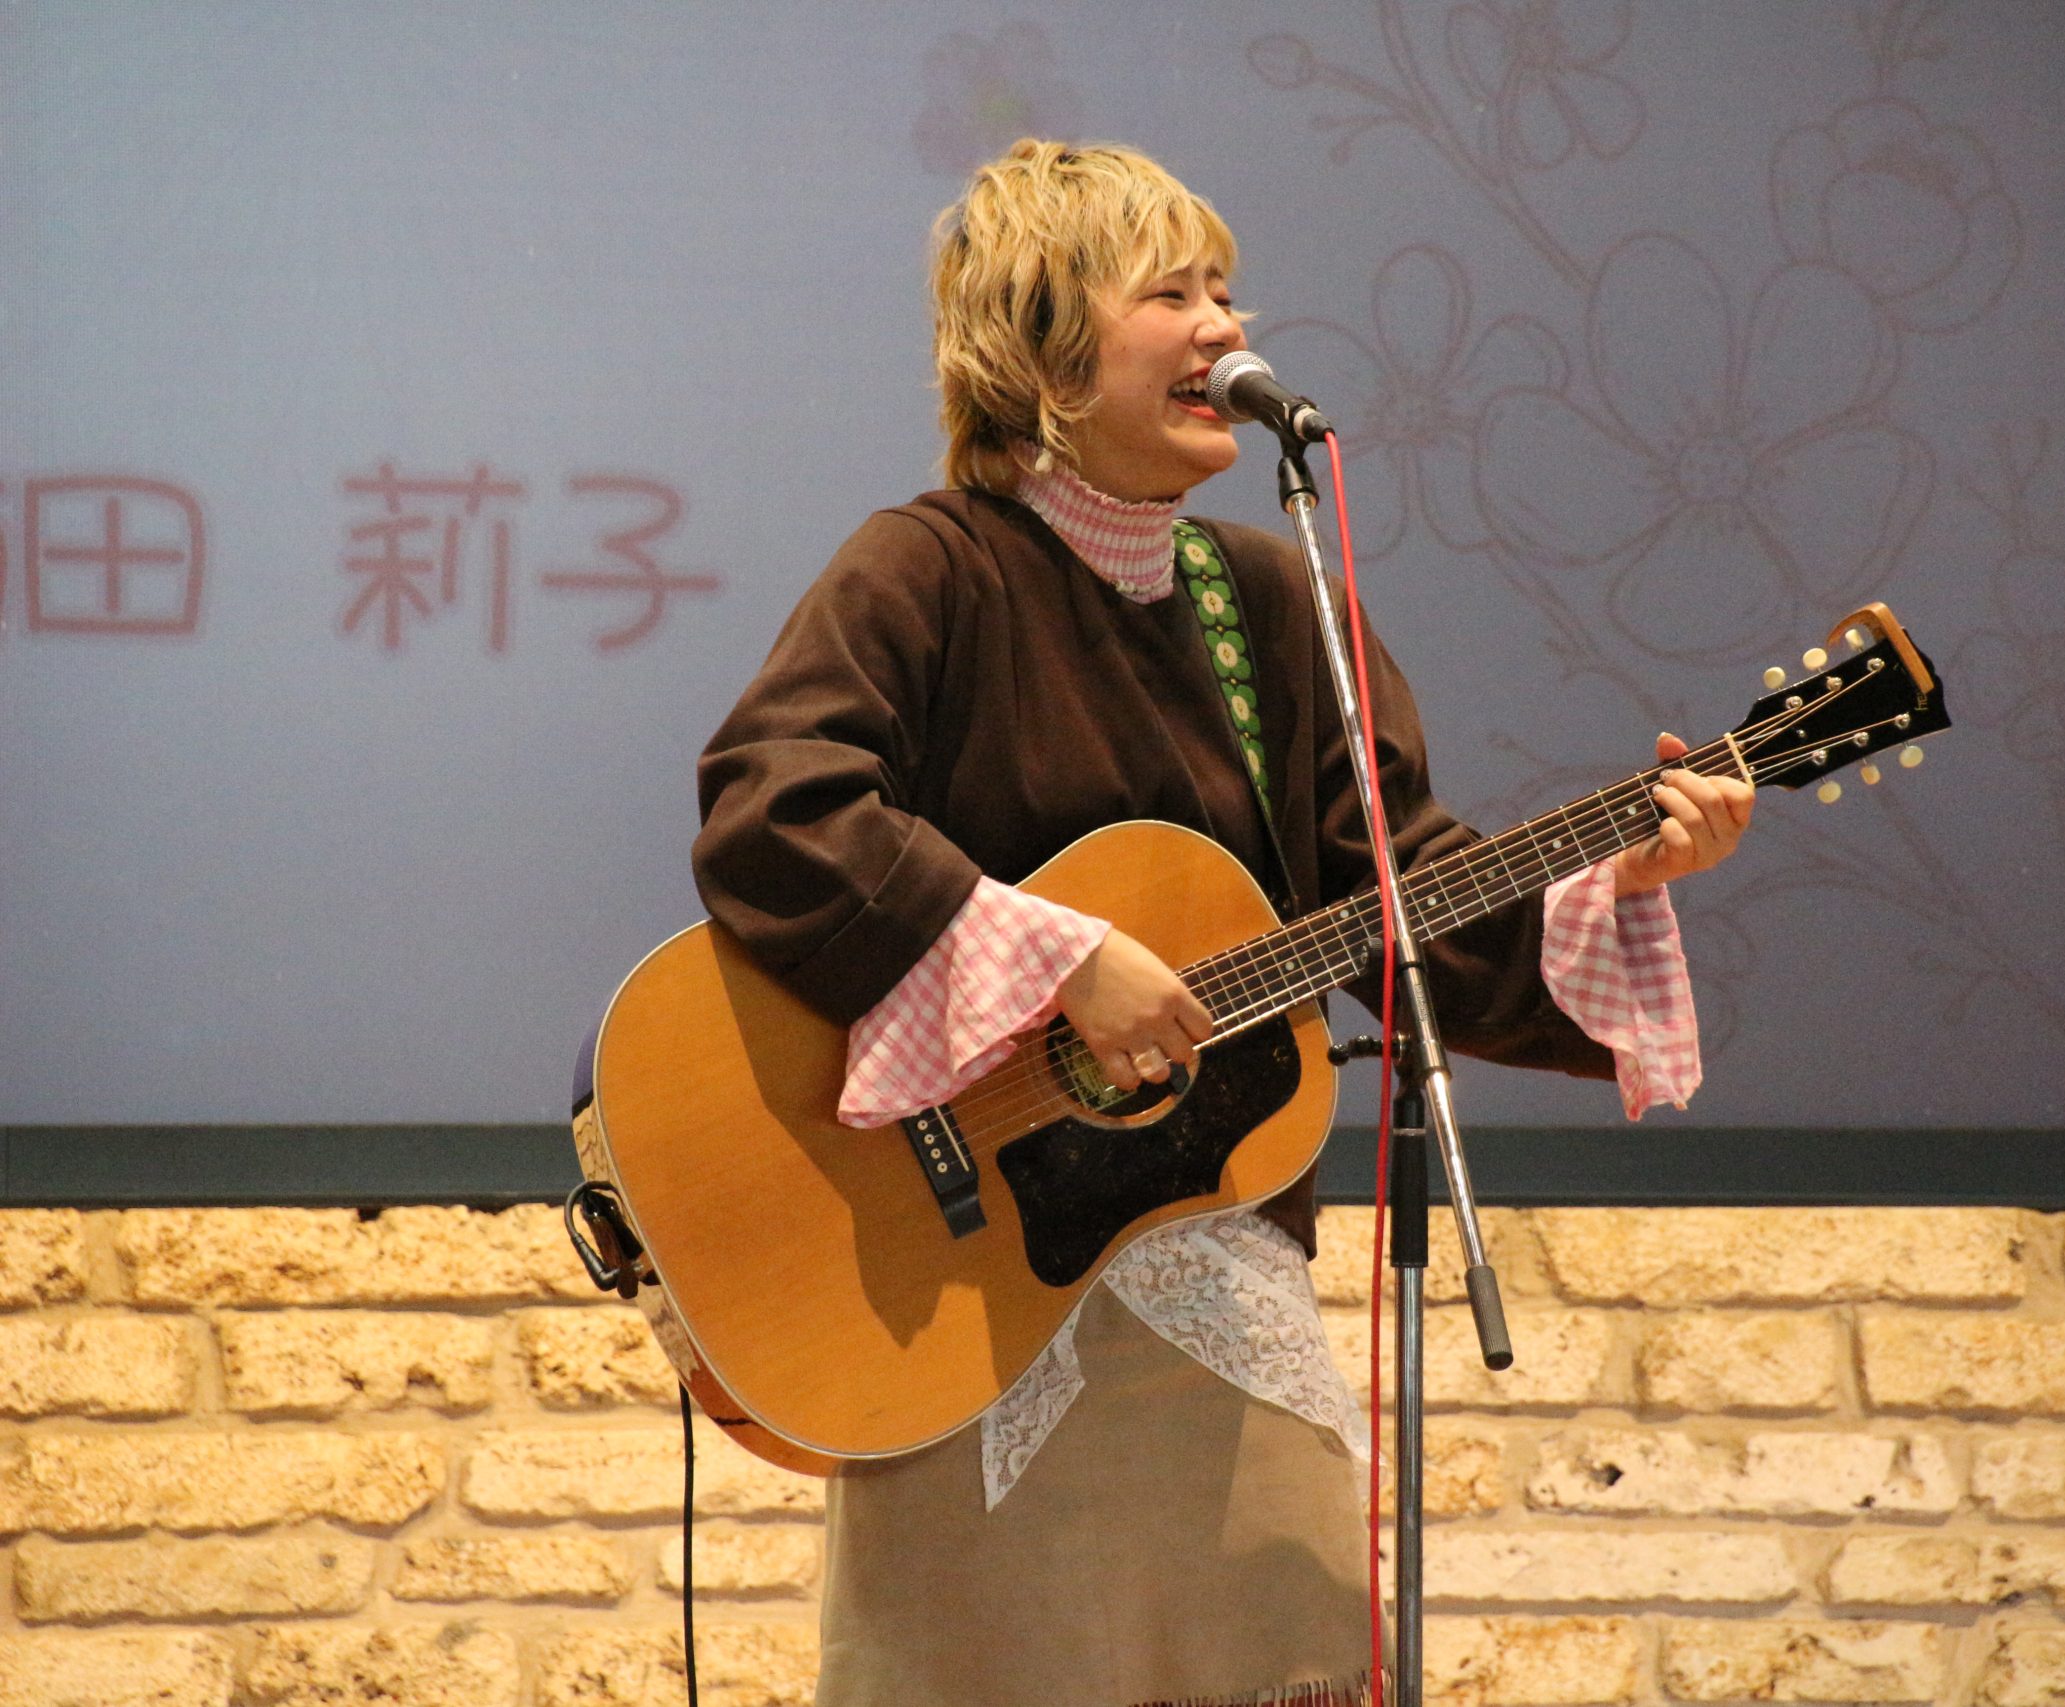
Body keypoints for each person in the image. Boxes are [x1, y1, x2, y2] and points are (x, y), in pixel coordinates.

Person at [690, 139, 1753, 1707]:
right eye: (1170, 292)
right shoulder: (926, 568)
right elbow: (774, 809)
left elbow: (1400, 901)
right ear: (1043, 348)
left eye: (1226, 291)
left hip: (1224, 1296)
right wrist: (1062, 959)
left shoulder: (1267, 599)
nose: (1222, 326)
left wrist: (1619, 883)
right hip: (964, 1300)